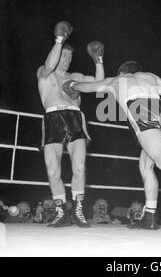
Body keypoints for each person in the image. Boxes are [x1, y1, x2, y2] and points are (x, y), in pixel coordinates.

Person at [62, 61, 161, 233]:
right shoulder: (150, 76)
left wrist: (72, 85)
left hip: (141, 108)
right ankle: (149, 216)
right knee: (145, 165)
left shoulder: (117, 81)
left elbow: (90, 87)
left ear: (122, 72)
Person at [36, 21, 105, 227]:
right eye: (64, 55)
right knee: (53, 170)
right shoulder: (44, 74)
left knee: (80, 167)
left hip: (75, 118)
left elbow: (98, 86)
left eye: (70, 56)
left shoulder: (76, 77)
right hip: (53, 118)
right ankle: (60, 211)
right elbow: (49, 65)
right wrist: (59, 41)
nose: (67, 59)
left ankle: (78, 209)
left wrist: (98, 60)